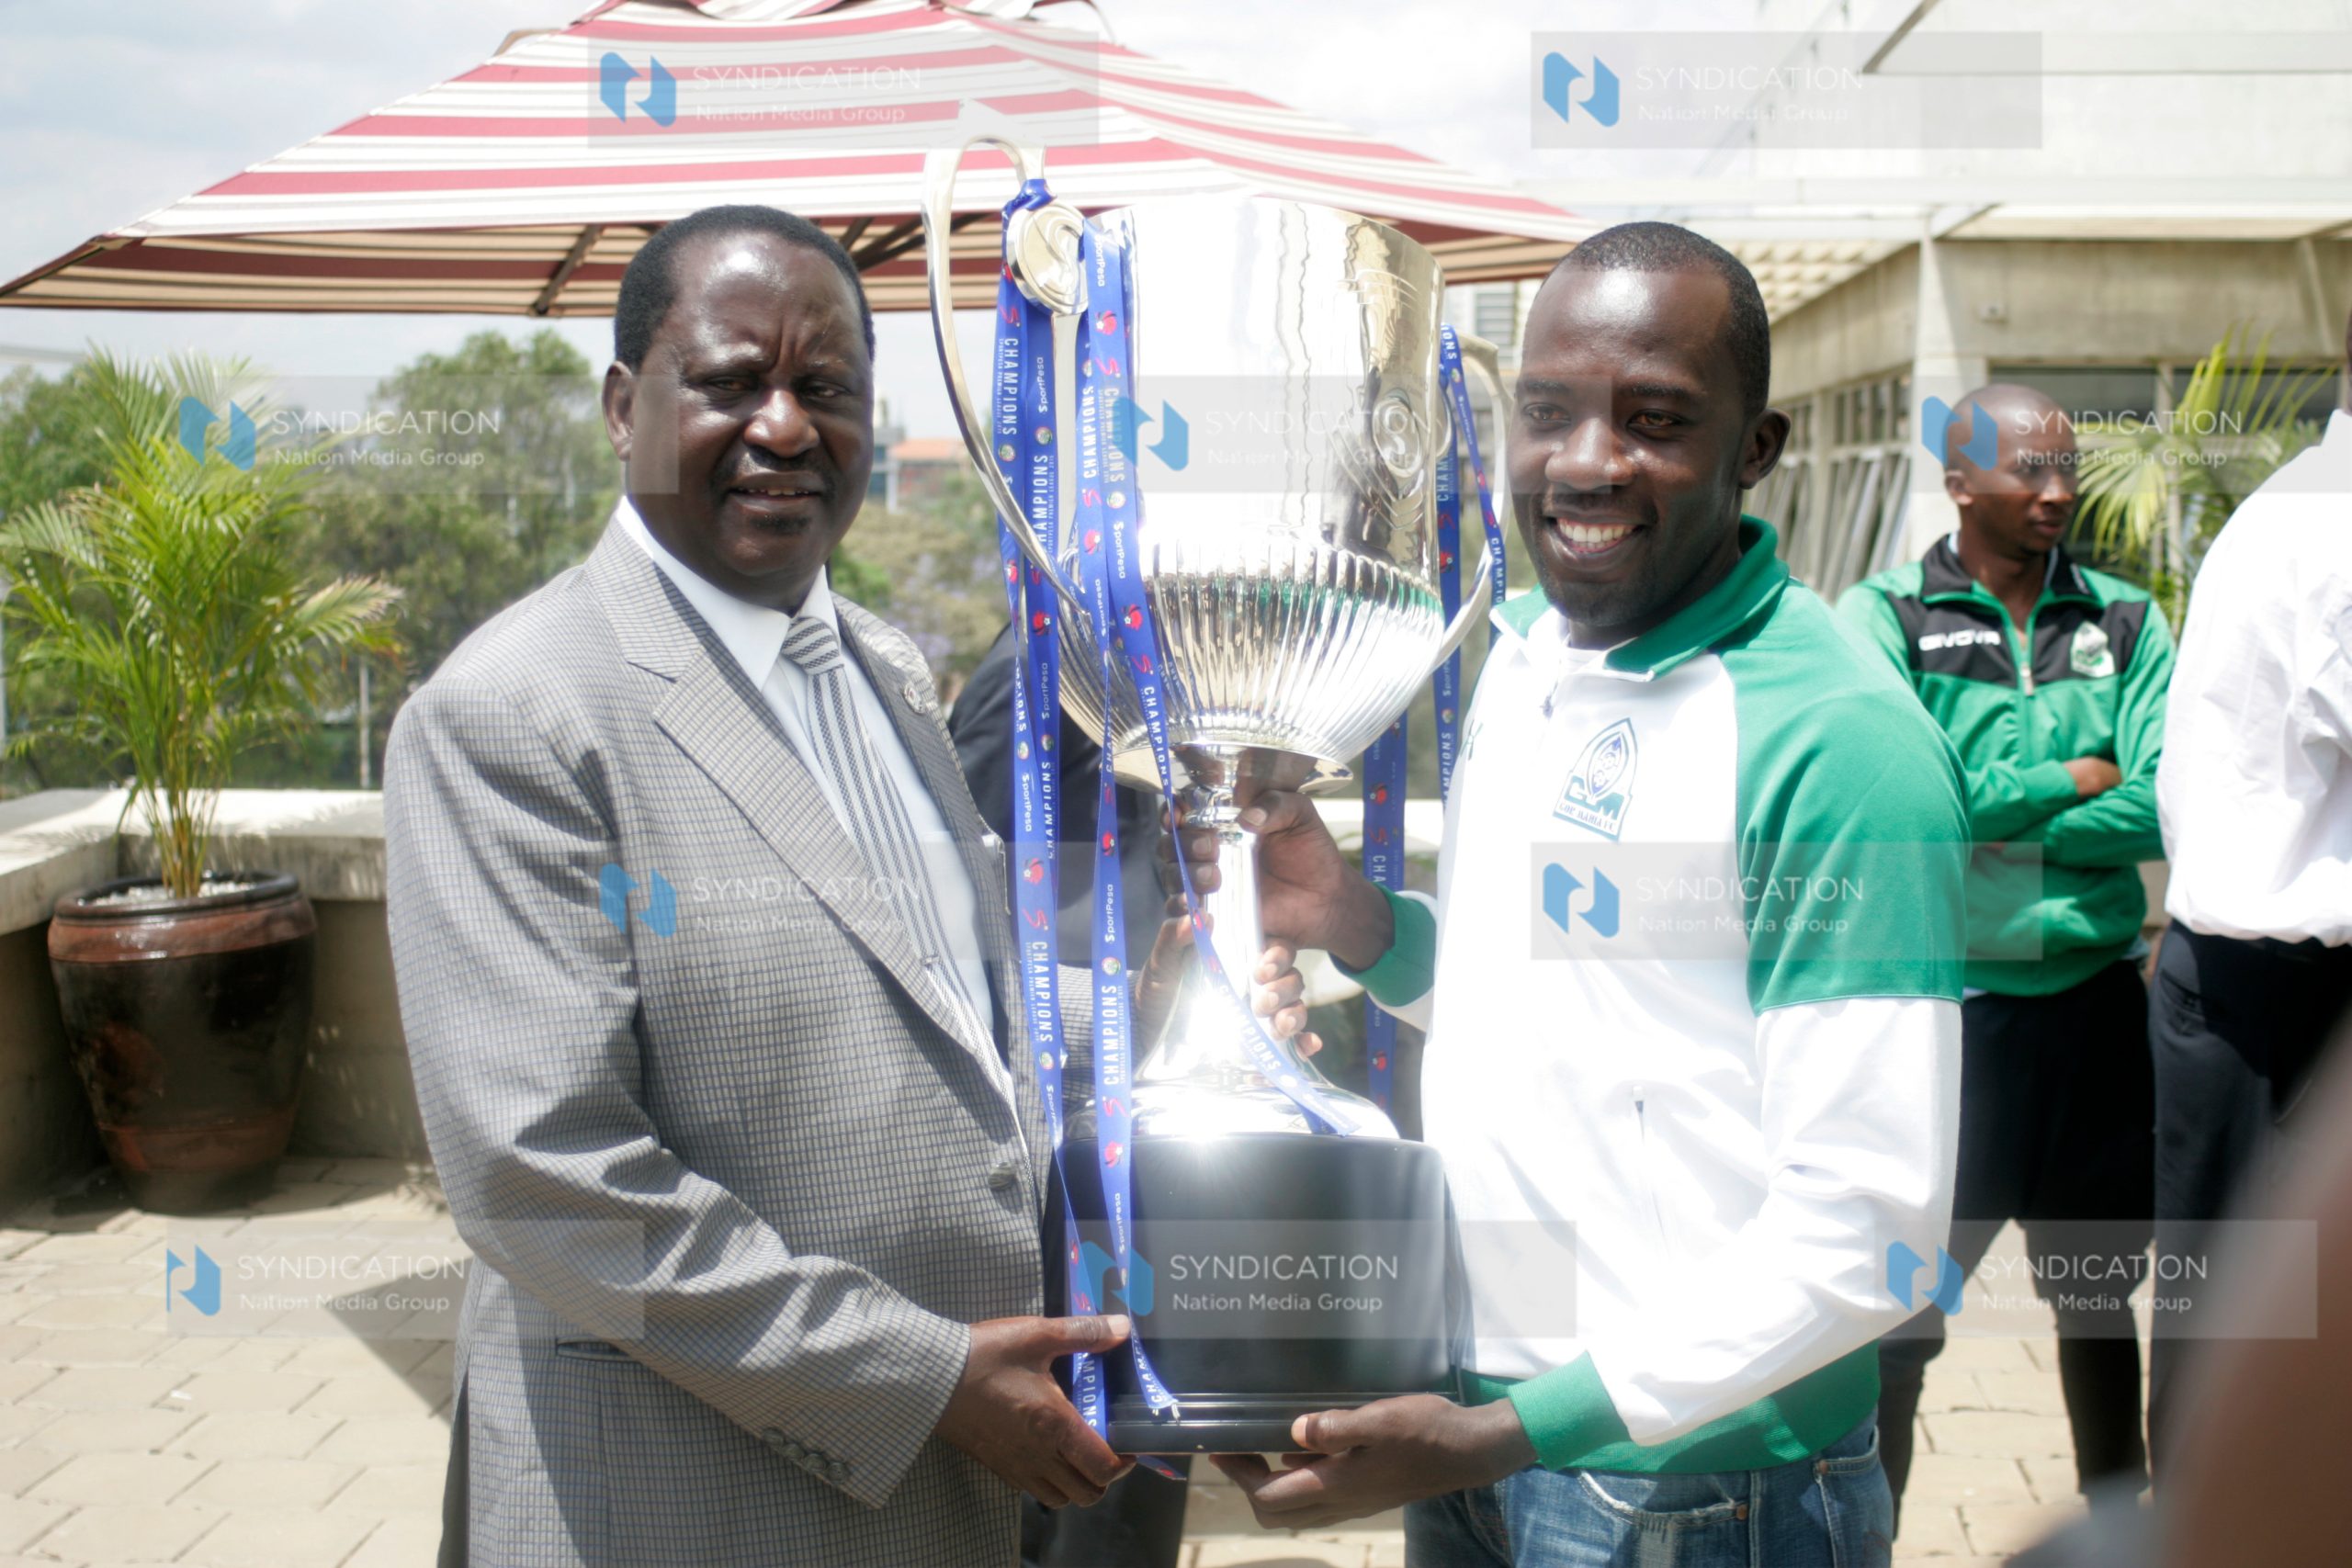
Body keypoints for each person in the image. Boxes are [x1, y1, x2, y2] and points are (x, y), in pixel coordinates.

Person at [383, 205, 1315, 1567]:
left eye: (827, 389)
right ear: (623, 405)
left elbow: (931, 982)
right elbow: (544, 1174)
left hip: (940, 1502)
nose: (783, 427)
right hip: (684, 1494)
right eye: (729, 382)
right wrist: (923, 1376)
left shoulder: (877, 665)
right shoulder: (514, 714)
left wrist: (1140, 1006)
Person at [1199, 221, 1969, 1567]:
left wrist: (1516, 1431)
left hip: (1703, 1483)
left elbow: (1872, 1226)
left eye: (1657, 419)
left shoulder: (1837, 740)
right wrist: (1359, 923)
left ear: (1758, 447)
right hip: (1483, 1418)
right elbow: (1561, 991)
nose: (1589, 463)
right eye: (1550, 412)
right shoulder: (1536, 651)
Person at [1839, 386, 2170, 1517]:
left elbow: (2170, 803)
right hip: (1950, 1023)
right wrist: (2073, 782)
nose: (2059, 491)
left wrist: (1997, 824)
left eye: (2065, 467)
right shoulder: (1881, 615)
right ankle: (1862, 1543)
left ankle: (2126, 1539)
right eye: (2030, 470)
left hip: (2095, 1017)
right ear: (1959, 480)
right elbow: (1910, 804)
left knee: (2096, 1306)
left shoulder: (2125, 619)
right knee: (1903, 1327)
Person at [2145, 314, 2352, 1472]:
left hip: (2246, 979)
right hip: (2273, 997)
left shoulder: (2307, 498)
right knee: (2246, 1342)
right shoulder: (2335, 525)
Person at [953, 633, 1193, 1566]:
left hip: (1132, 1118)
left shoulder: (1155, 655)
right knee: (1078, 1464)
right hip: (1061, 1140)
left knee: (1125, 1455)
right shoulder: (1045, 663)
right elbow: (969, 913)